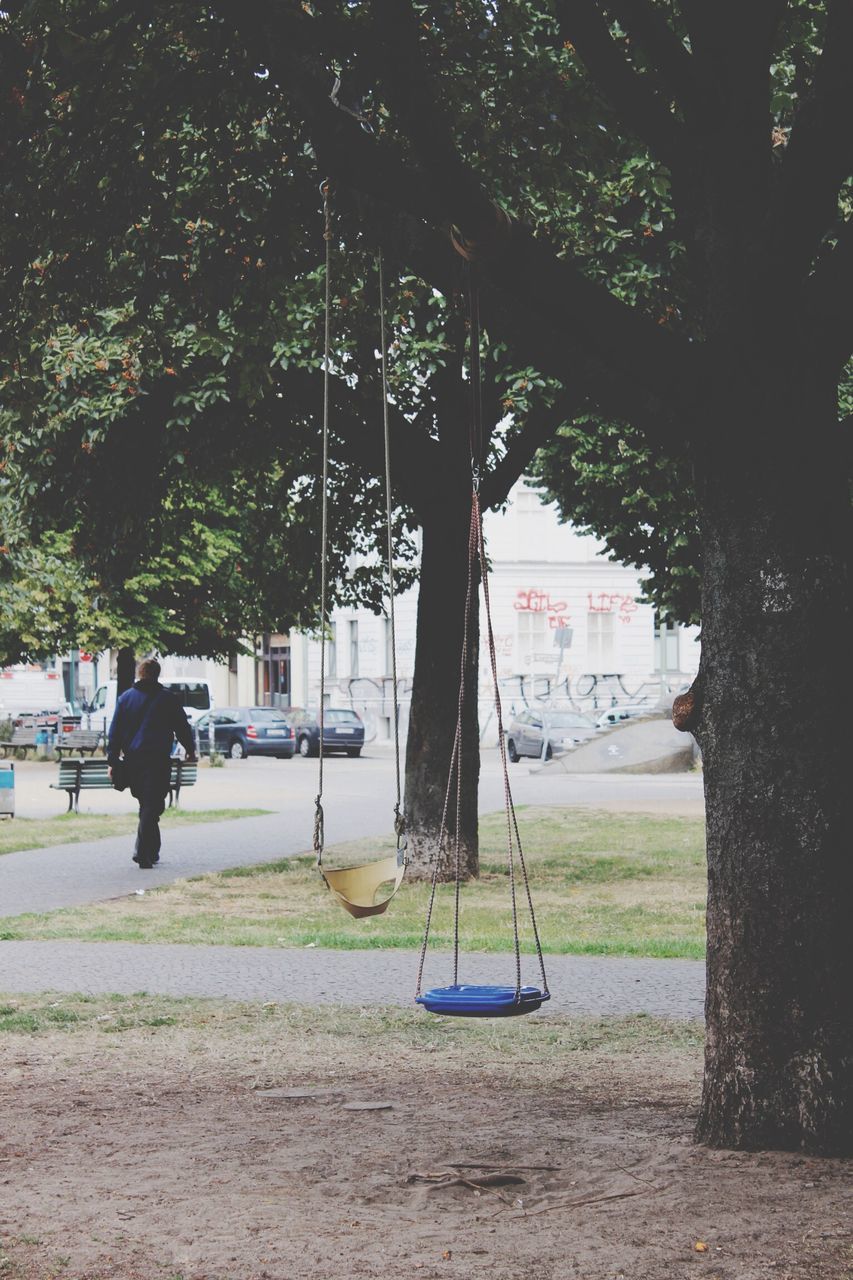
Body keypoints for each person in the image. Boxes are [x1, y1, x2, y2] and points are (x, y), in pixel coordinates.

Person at [107, 659, 197, 868]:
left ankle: (151, 849)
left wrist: (113, 760)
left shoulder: (126, 699)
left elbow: (115, 732)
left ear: (140, 673)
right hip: (158, 760)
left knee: (147, 804)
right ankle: (143, 853)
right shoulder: (168, 699)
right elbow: (182, 727)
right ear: (157, 674)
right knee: (152, 804)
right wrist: (190, 750)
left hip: (133, 760)